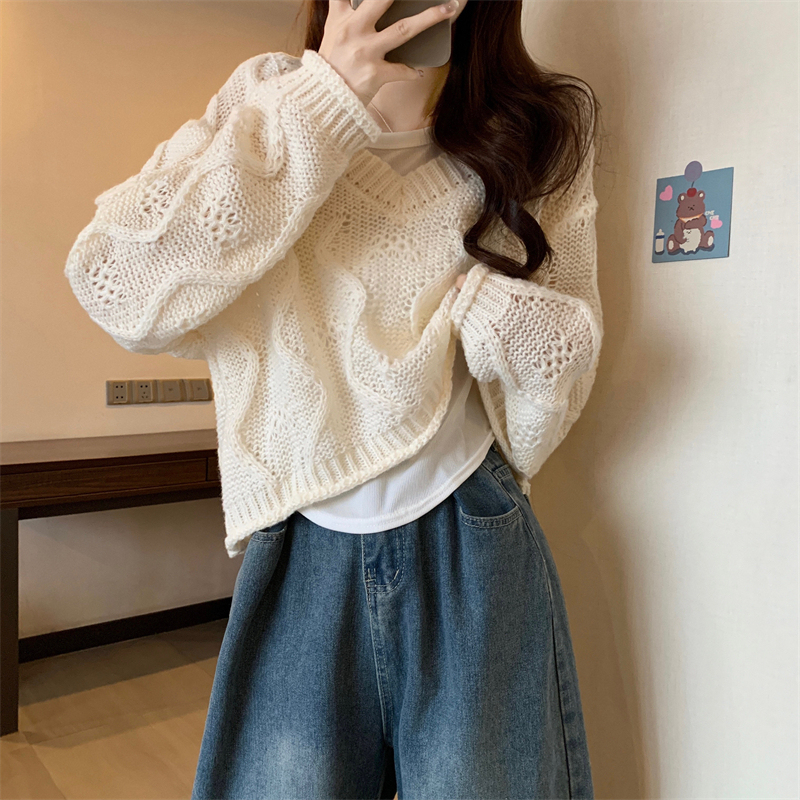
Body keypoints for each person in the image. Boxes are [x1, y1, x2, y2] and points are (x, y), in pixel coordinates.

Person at [64, 1, 603, 797]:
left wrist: (507, 318)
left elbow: (550, 401)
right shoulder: (267, 95)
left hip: (472, 531)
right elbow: (115, 285)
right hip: (301, 541)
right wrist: (324, 100)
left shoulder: (539, 127)